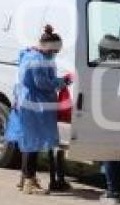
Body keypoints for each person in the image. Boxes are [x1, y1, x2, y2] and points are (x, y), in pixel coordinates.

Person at [7, 25, 72, 195]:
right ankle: (29, 182)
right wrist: (61, 83)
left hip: (28, 102)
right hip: (33, 104)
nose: (55, 54)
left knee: (28, 142)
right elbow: (41, 83)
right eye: (55, 50)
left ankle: (25, 178)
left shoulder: (30, 55)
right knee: (32, 143)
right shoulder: (37, 59)